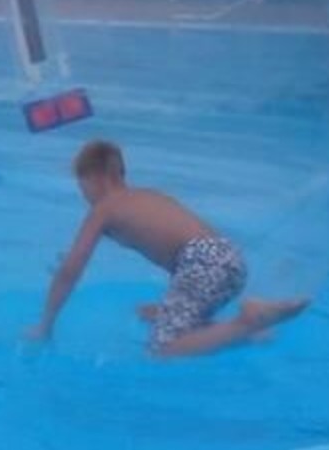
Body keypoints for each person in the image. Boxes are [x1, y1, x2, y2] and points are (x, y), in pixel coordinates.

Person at [25, 140, 308, 357]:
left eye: (82, 187)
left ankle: (247, 323)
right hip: (228, 259)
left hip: (201, 262)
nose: (84, 195)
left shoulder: (104, 209)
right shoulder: (147, 196)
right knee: (154, 315)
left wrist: (45, 324)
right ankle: (253, 333)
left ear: (94, 179)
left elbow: (71, 271)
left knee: (161, 349)